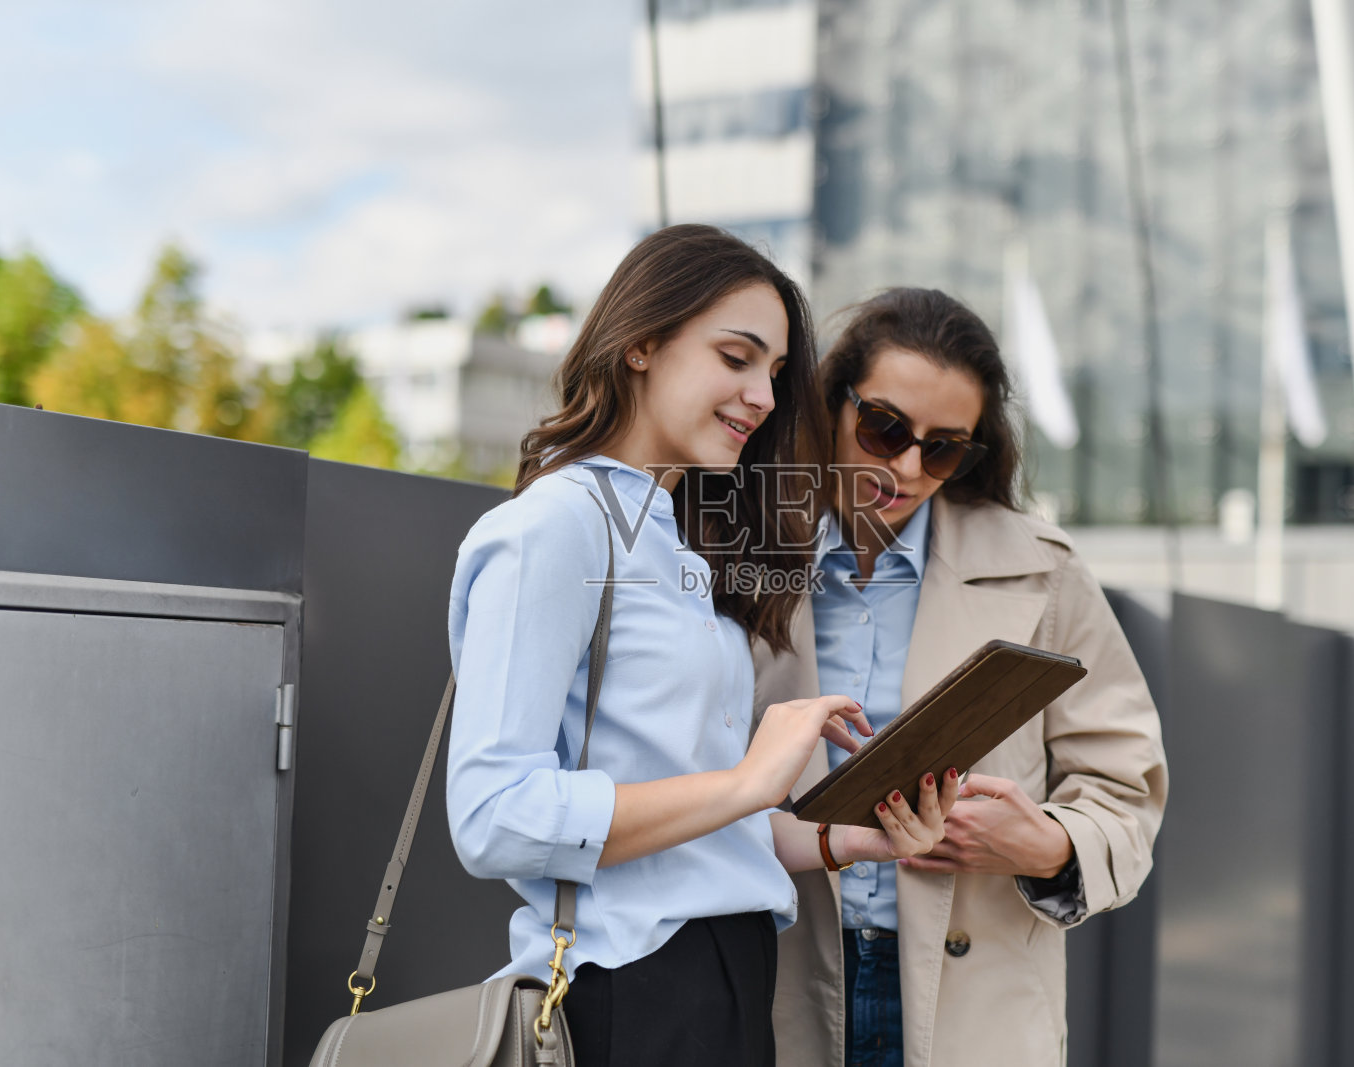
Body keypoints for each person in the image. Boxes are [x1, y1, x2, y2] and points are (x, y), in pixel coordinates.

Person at [444, 227, 959, 1067]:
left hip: (730, 977)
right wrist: (748, 779)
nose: (761, 395)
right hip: (628, 987)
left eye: (775, 374)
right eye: (735, 357)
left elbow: (704, 831)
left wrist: (846, 838)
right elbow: (493, 816)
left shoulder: (677, 546)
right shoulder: (555, 528)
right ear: (641, 344)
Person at [755, 287, 1168, 1067]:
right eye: (883, 428)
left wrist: (1046, 844)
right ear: (831, 402)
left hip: (976, 1007)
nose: (907, 467)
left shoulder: (1041, 570)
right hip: (776, 979)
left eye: (943, 447)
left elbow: (1127, 792)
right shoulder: (739, 552)